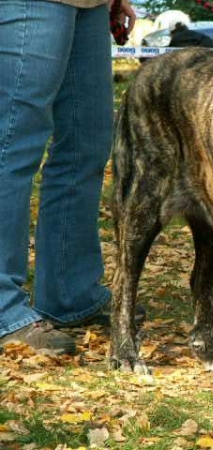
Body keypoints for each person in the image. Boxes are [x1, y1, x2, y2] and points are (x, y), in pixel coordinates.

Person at [0, 0, 136, 355]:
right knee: (14, 141)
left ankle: (69, 294)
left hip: (89, 5)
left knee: (86, 144)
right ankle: (3, 310)